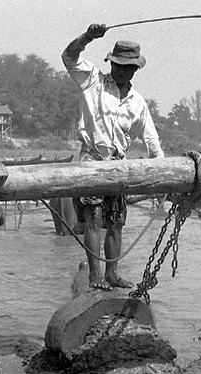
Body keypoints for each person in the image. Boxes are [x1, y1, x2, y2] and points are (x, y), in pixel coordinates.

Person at [62, 23, 165, 291]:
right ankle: (95, 275)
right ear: (111, 63)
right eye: (117, 65)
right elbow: (68, 57)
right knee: (94, 217)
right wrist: (87, 37)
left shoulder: (137, 102)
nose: (121, 70)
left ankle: (112, 273)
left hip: (118, 165)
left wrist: (164, 173)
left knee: (117, 221)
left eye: (127, 67)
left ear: (135, 70)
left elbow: (151, 140)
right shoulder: (93, 80)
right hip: (92, 161)